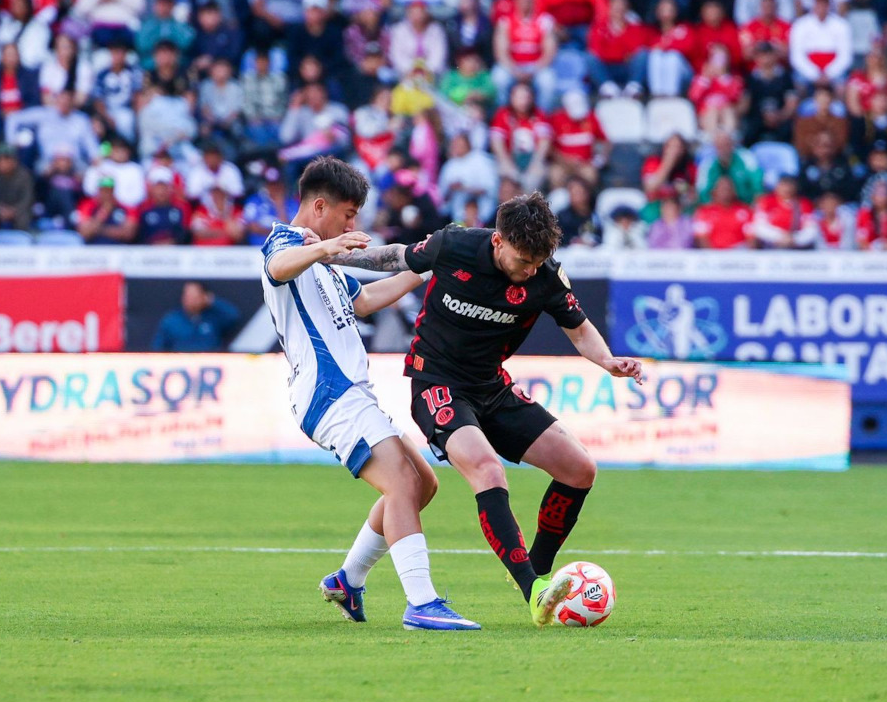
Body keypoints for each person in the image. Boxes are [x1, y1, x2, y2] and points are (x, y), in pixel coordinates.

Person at [325, 191, 644, 627]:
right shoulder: (454, 245)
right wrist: (329, 253)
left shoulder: (546, 275)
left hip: (492, 387)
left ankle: (535, 572)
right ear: (498, 240)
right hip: (437, 384)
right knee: (487, 470)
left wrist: (607, 361)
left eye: (537, 262)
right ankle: (533, 591)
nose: (529, 271)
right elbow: (395, 257)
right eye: (523, 260)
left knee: (579, 469)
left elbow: (579, 328)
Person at [260, 156, 479, 631]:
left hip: (353, 393)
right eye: (348, 215)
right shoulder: (286, 242)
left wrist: (427, 267)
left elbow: (367, 300)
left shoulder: (328, 264)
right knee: (400, 483)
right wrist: (327, 247)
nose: (352, 226)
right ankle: (421, 603)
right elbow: (276, 267)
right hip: (329, 393)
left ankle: (348, 579)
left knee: (422, 484)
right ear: (320, 206)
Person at [151, 281, 240, 352]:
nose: (190, 300)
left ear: (203, 297)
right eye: (187, 296)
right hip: (181, 363)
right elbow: (158, 347)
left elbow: (233, 316)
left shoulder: (213, 318)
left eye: (194, 296)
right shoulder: (171, 320)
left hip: (209, 363)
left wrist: (213, 301)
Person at [136, 166, 191, 245]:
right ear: (151, 189)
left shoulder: (182, 207)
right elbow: (139, 234)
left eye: (164, 187)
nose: (161, 191)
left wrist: (172, 242)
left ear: (171, 188)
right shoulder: (143, 208)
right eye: (158, 187)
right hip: (148, 249)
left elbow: (187, 232)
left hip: (176, 249)